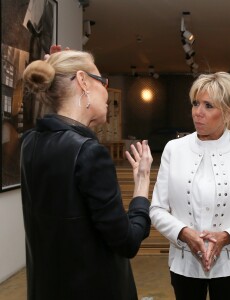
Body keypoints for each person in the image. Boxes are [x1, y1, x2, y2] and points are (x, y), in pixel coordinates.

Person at [21, 47, 153, 300]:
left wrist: (60, 66)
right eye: (103, 81)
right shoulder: (89, 152)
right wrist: (141, 186)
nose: (107, 91)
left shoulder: (30, 143)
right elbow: (127, 242)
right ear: (82, 81)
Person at [150, 71, 230, 300]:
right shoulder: (173, 149)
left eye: (208, 106)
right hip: (184, 262)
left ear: (229, 112)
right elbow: (157, 209)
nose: (198, 112)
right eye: (196, 103)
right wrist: (184, 233)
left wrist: (227, 236)